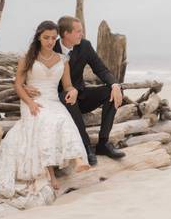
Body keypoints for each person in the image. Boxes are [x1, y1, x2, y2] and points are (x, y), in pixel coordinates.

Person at [0, 21, 89, 209]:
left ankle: (78, 159)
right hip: (32, 101)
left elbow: (67, 85)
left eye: (53, 38)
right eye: (46, 37)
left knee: (63, 119)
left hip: (52, 100)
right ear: (38, 37)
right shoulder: (27, 58)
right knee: (43, 120)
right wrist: (30, 102)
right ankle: (49, 173)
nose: (50, 41)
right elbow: (18, 85)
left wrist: (73, 91)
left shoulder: (63, 60)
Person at [47, 15, 126, 166]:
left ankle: (103, 143)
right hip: (61, 101)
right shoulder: (52, 48)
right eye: (78, 31)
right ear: (65, 34)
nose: (81, 34)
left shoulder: (85, 46)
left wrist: (115, 85)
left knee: (112, 91)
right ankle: (86, 146)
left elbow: (101, 69)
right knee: (67, 96)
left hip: (81, 96)